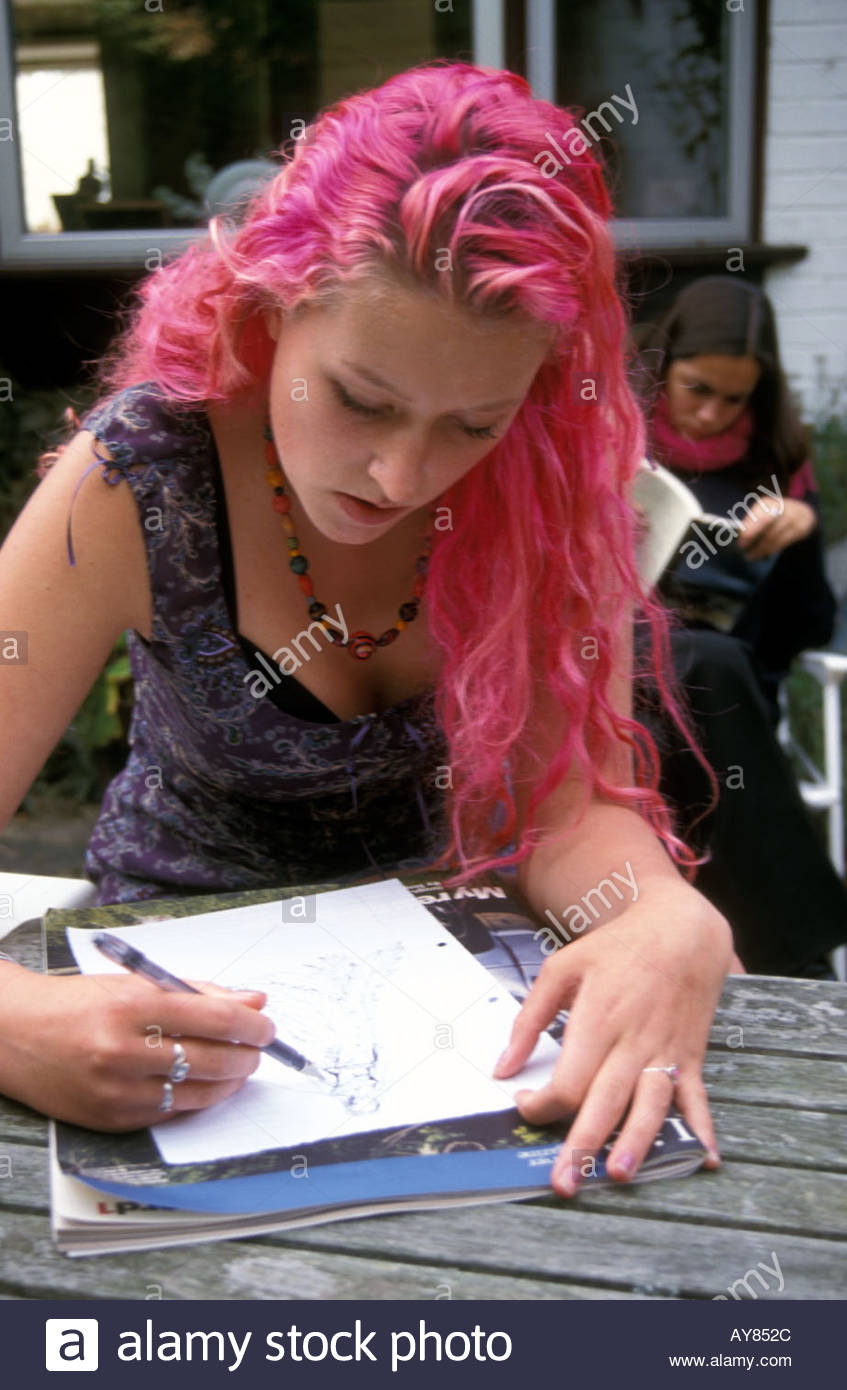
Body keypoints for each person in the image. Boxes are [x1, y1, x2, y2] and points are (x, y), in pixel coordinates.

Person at [0, 62, 733, 1197]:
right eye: (361, 398)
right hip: (169, 1026)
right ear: (271, 303)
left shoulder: (545, 484)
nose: (402, 473)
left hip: (462, 1040)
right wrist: (10, 1021)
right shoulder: (140, 475)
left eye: (472, 422)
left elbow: (559, 802)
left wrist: (659, 912)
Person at [633, 276, 847, 977]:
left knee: (713, 666)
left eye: (735, 399)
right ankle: (798, 961)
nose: (710, 414)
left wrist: (800, 537)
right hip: (616, 665)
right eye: (696, 388)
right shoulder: (613, 435)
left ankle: (736, 961)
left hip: (730, 691)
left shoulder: (776, 464)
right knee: (703, 664)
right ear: (664, 367)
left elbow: (807, 629)